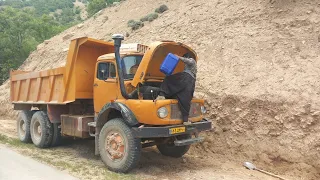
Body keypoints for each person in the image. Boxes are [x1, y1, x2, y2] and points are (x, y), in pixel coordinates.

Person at [156, 53, 197, 125]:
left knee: (169, 79)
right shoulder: (193, 68)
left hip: (186, 77)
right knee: (184, 99)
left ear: (187, 57)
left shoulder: (192, 61)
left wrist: (179, 57)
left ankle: (162, 95)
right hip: (191, 82)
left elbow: (188, 61)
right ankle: (185, 120)